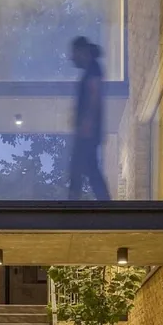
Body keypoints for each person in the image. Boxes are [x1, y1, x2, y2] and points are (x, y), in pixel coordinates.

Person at [68, 36, 111, 201]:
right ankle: (104, 204)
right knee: (89, 168)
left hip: (88, 131)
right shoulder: (92, 69)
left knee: (79, 168)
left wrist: (87, 122)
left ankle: (74, 204)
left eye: (74, 53)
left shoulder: (93, 69)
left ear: (82, 52)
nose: (72, 58)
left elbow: (94, 93)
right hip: (88, 130)